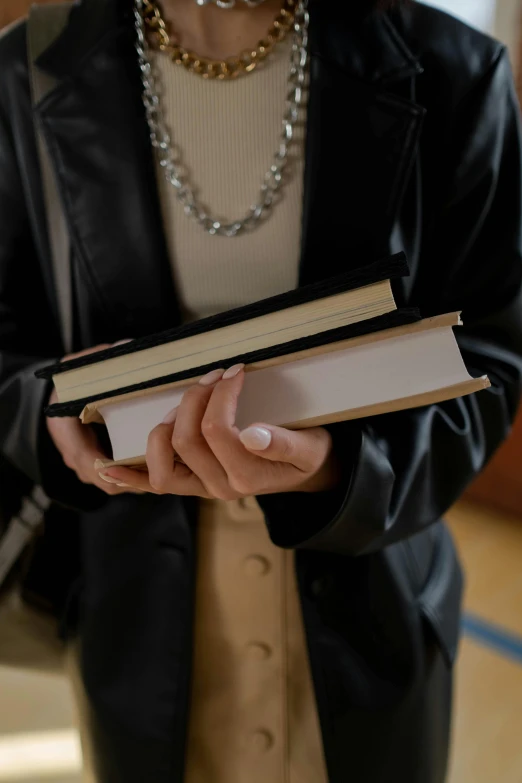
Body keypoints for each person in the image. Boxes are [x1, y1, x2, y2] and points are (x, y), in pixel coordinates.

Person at [1, 0, 522, 780]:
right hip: (137, 611)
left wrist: (340, 471)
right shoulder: (25, 70)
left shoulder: (456, 70)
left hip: (370, 601)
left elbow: (490, 351)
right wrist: (47, 415)